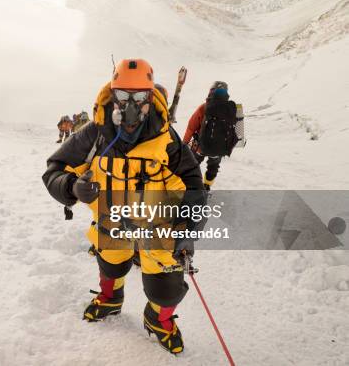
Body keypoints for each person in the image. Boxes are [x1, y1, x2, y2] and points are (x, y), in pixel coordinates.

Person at [42, 59, 206, 354]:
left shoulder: (167, 141)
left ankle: (159, 320)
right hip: (112, 224)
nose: (130, 105)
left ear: (150, 97)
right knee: (111, 264)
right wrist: (71, 186)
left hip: (157, 228)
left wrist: (188, 229)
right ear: (112, 95)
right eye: (122, 96)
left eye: (140, 97)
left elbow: (195, 187)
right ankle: (110, 299)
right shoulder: (95, 134)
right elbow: (54, 168)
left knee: (166, 286)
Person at [183, 81, 236, 191]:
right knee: (213, 167)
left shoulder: (204, 107)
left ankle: (190, 186)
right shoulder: (232, 108)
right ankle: (206, 186)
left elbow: (191, 127)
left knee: (192, 165)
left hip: (200, 147)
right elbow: (237, 130)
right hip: (219, 149)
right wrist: (228, 146)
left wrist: (184, 144)